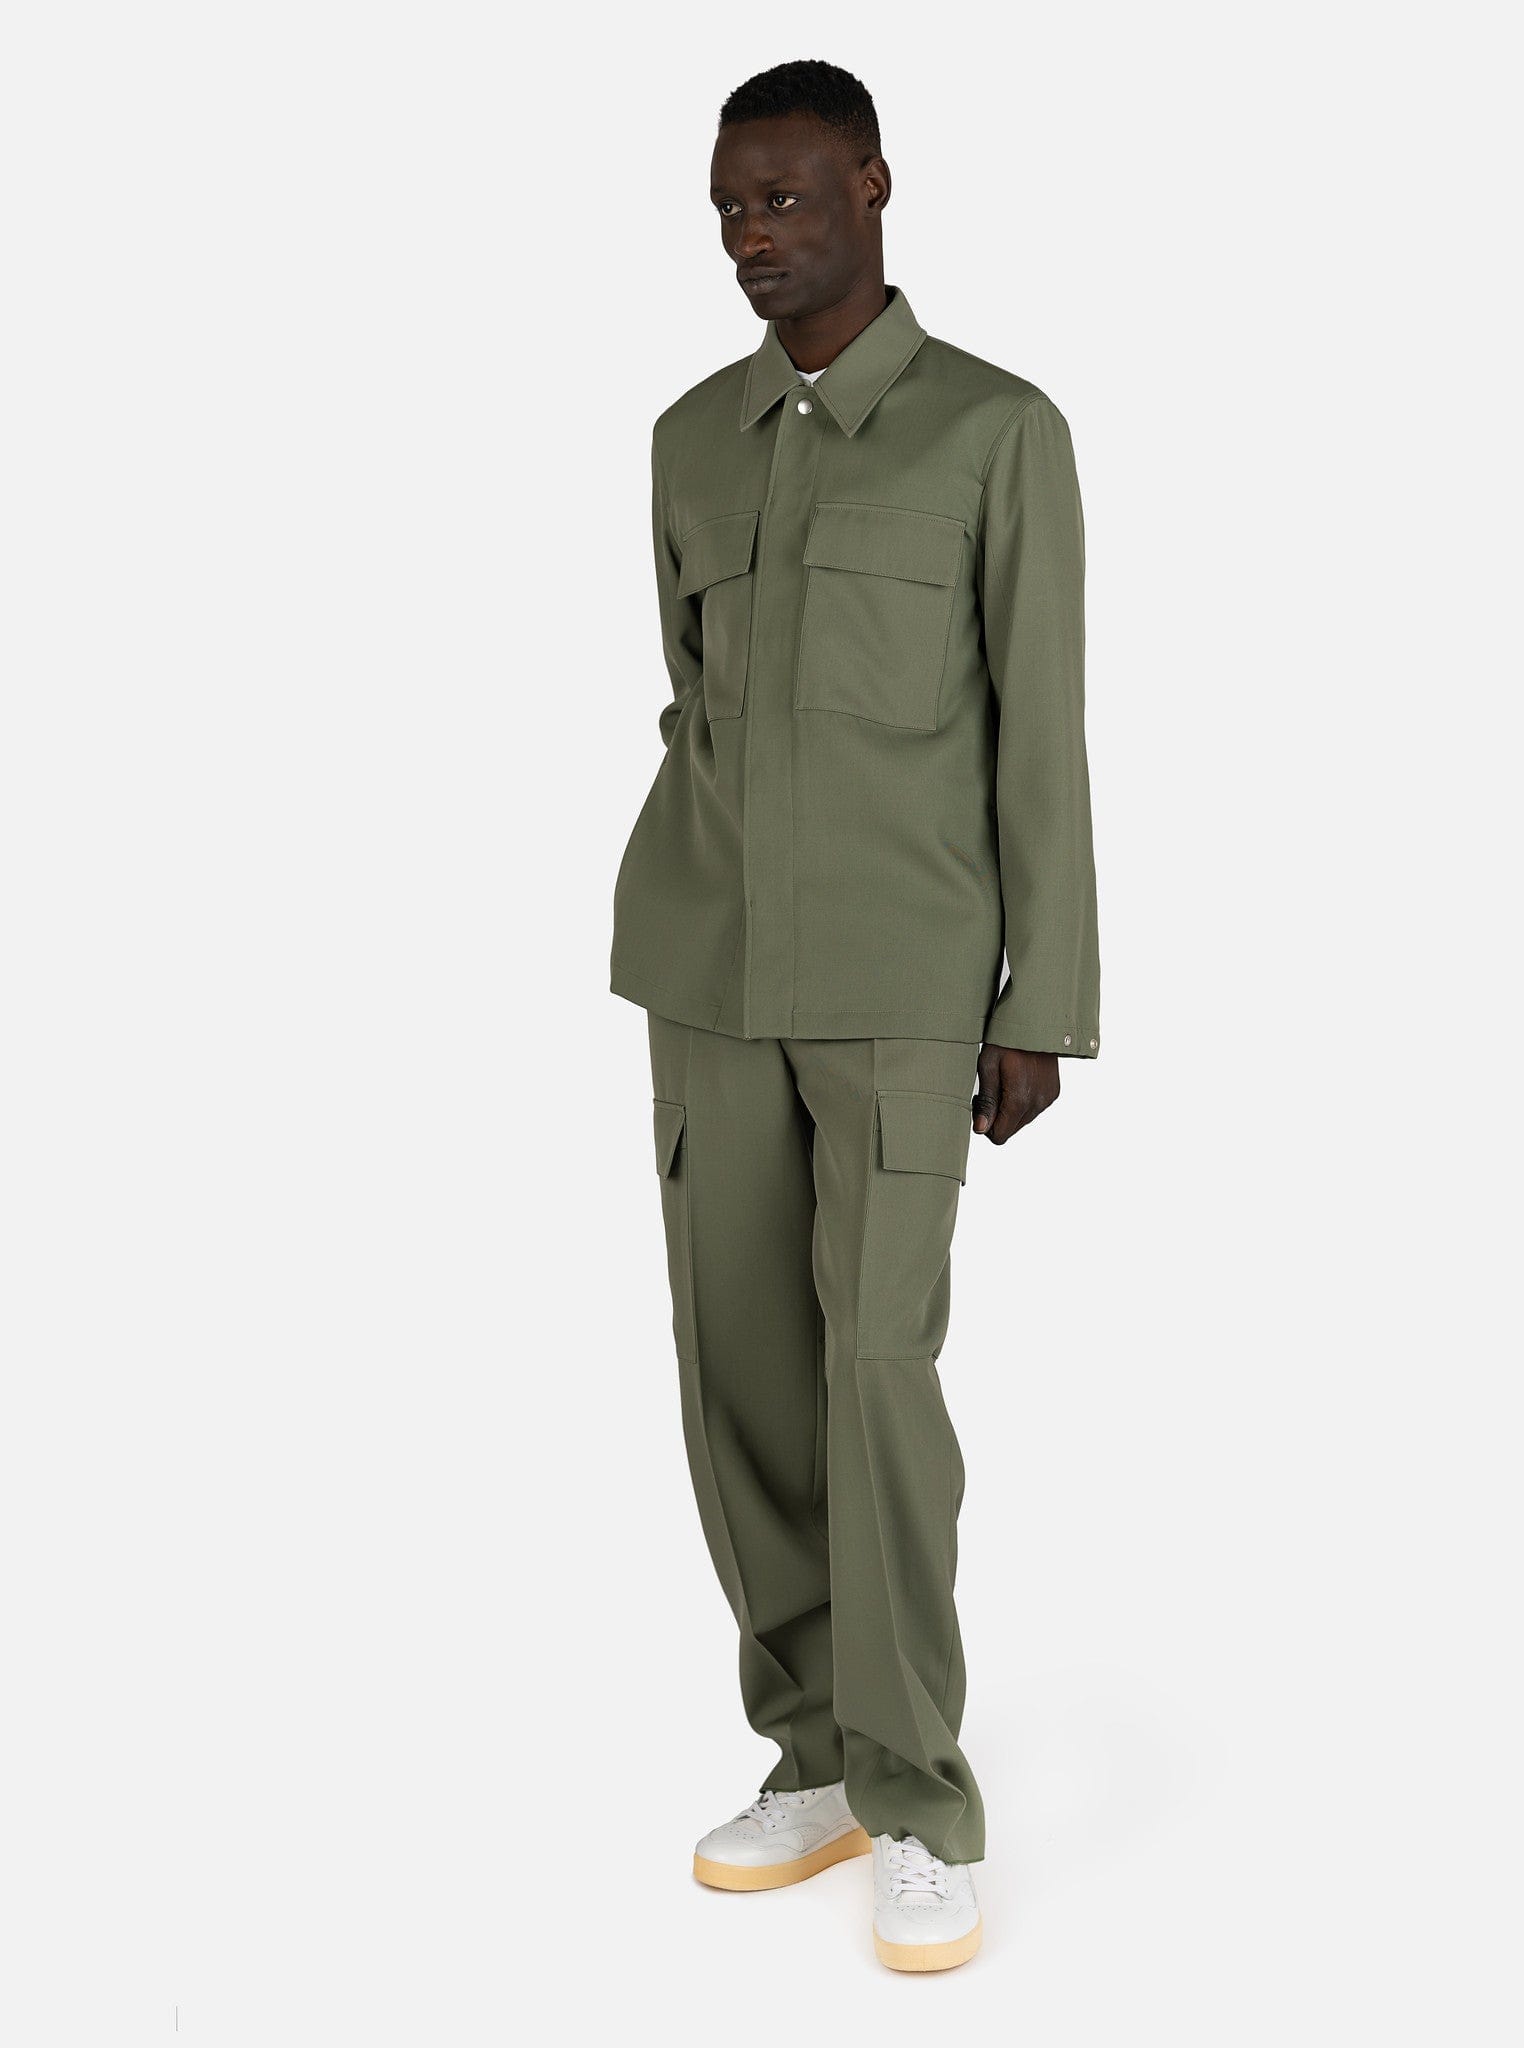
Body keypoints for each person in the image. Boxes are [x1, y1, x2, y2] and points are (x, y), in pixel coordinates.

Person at [609, 58, 1099, 1973]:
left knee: (876, 1374)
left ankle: (917, 1792)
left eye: (789, 198)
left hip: (903, 986)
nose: (754, 236)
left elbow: (1037, 729)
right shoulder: (689, 439)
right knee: (737, 1372)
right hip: (707, 976)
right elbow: (688, 697)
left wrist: (1041, 994)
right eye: (731, 206)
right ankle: (810, 1751)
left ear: (874, 189)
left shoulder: (996, 431)